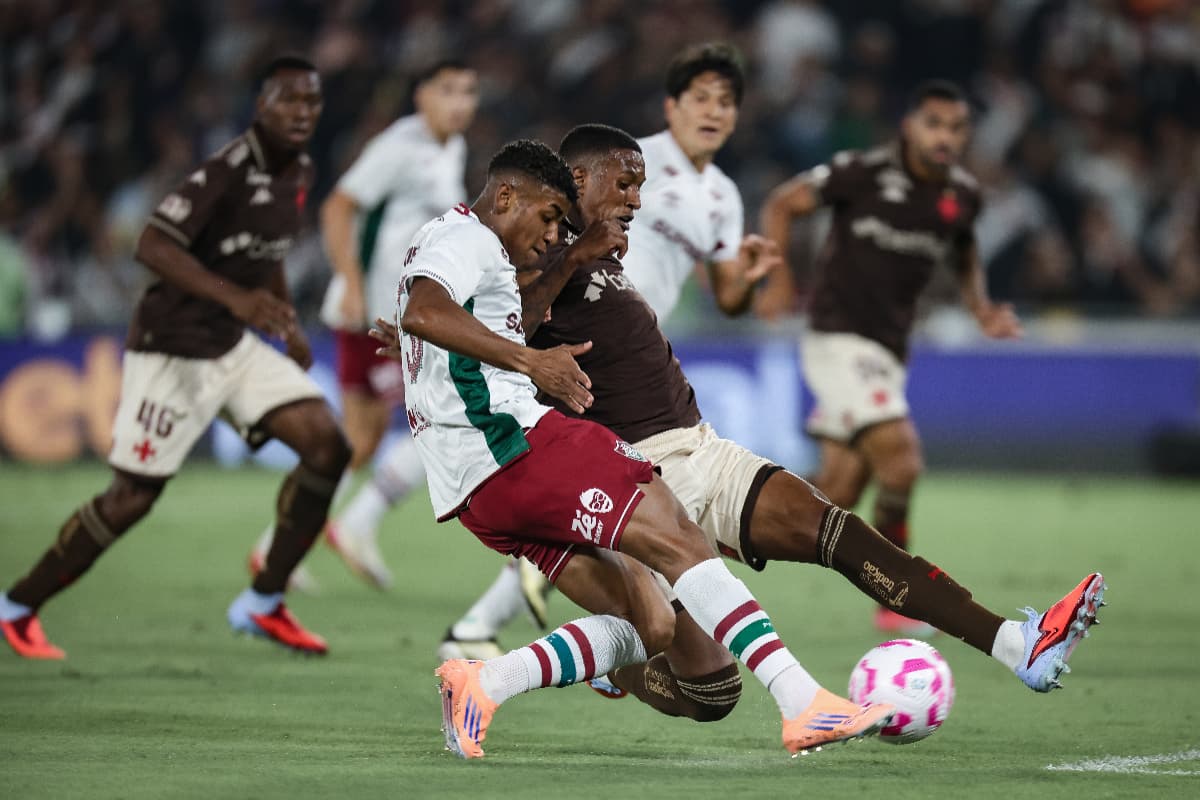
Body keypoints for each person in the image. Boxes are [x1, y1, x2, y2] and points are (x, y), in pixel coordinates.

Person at [381, 124, 1104, 729]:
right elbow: (500, 322)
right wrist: (565, 255)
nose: (636, 198)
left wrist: (740, 280)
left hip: (697, 446)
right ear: (573, 180)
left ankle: (1017, 646)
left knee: (836, 532)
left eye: (640, 184)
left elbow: (460, 326)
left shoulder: (581, 241)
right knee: (708, 688)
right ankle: (626, 669)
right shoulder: (534, 245)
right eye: (623, 183)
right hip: (634, 463)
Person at [392, 137, 897, 759]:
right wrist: (531, 362)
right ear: (504, 196)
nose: (553, 235)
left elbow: (433, 319)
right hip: (522, 446)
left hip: (476, 492)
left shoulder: (451, 245)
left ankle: (482, 682)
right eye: (549, 218)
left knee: (655, 626)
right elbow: (425, 311)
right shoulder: (465, 238)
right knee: (682, 538)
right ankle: (805, 705)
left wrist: (430, 344)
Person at [438, 41, 781, 659]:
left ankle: (483, 632)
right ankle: (517, 635)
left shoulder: (723, 196)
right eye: (699, 98)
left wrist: (749, 279)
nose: (713, 112)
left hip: (631, 349)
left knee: (610, 517)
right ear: (672, 107)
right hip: (577, 341)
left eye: (726, 103)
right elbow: (533, 250)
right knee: (616, 511)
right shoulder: (621, 162)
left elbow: (727, 295)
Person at [0, 56, 351, 659]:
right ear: (260, 105)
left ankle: (263, 602)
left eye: (311, 103)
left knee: (328, 445)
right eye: (288, 101)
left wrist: (286, 320)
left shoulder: (300, 171)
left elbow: (267, 253)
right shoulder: (227, 170)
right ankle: (16, 605)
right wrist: (241, 300)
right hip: (173, 346)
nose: (301, 113)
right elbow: (153, 244)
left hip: (233, 342)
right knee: (133, 497)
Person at [757, 79, 1025, 634]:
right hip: (837, 337)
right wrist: (779, 282)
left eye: (956, 128)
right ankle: (897, 597)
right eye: (934, 124)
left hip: (886, 352)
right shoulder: (865, 173)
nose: (944, 137)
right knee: (901, 460)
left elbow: (966, 247)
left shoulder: (961, 197)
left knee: (834, 494)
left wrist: (980, 307)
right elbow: (782, 204)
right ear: (910, 125)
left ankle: (702, 540)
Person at [248, 59, 480, 590]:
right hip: (376, 316)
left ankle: (275, 547)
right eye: (448, 90)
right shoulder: (400, 146)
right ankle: (354, 525)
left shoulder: (451, 149)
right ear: (421, 95)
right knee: (444, 416)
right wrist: (350, 280)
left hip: (402, 316)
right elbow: (338, 207)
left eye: (468, 91)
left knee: (359, 439)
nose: (460, 102)